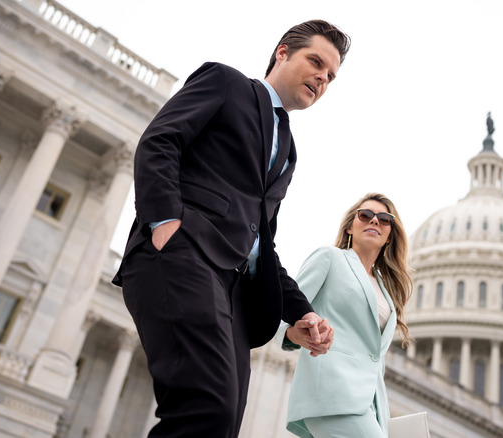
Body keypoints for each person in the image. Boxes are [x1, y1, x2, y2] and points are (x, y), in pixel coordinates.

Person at [111, 20, 351, 437]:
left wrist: (301, 312)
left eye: (330, 76)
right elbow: (160, 141)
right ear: (282, 53)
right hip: (184, 257)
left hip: (233, 294)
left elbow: (262, 241)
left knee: (222, 426)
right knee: (207, 407)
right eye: (316, 62)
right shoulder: (226, 82)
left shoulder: (289, 151)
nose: (322, 78)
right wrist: (165, 223)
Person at [276, 193, 413, 438]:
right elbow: (281, 309)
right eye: (365, 215)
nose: (374, 221)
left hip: (370, 404)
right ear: (350, 226)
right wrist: (292, 335)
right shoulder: (330, 258)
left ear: (390, 235)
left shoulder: (386, 289)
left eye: (384, 219)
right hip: (332, 392)